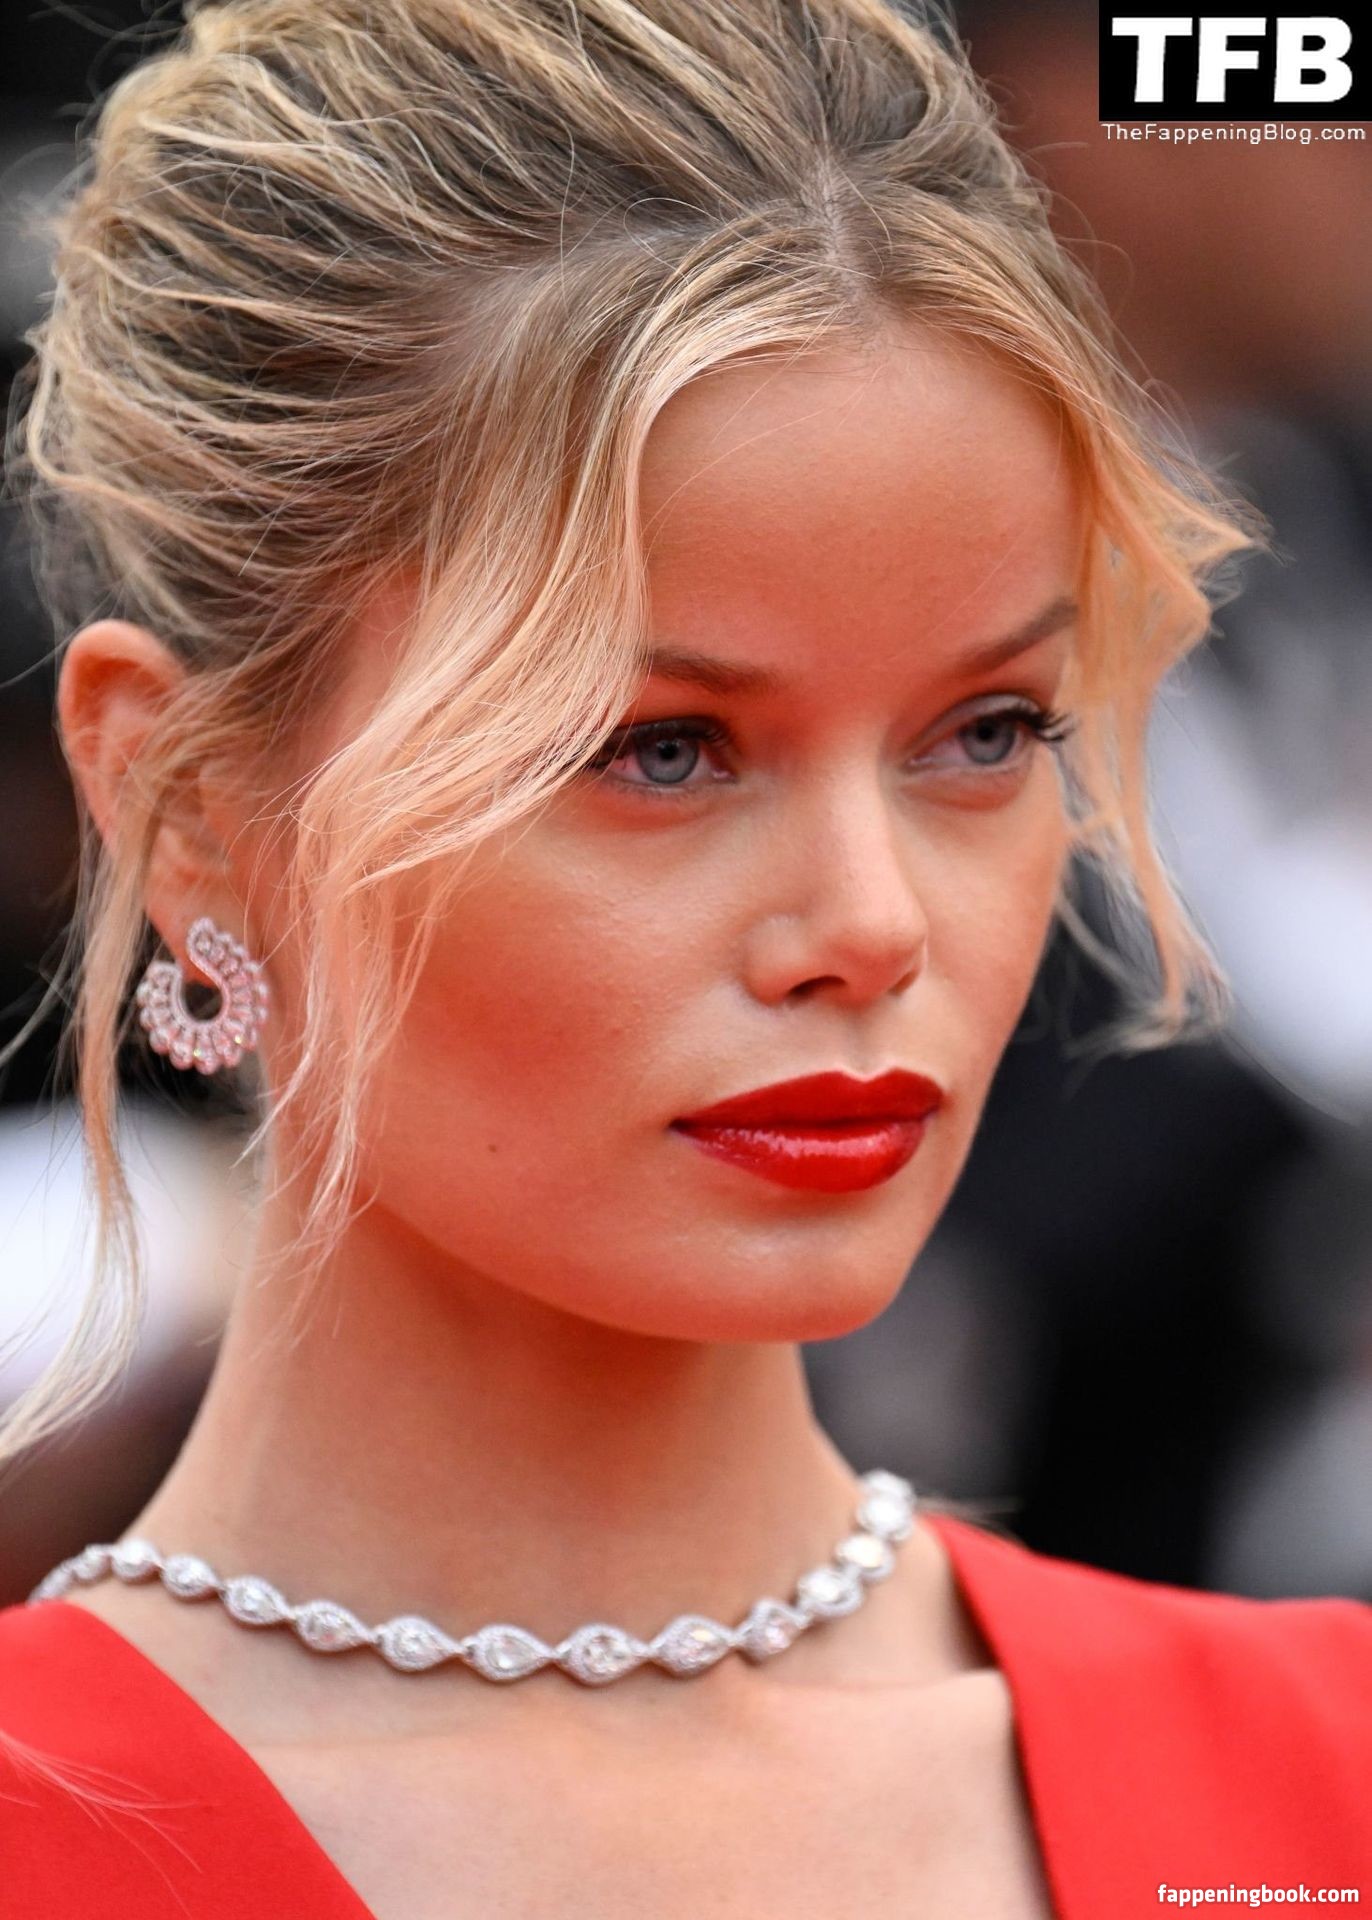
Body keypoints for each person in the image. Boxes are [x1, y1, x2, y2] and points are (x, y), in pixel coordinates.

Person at [0, 2, 1367, 1915]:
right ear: (194, 807)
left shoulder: (1320, 1774)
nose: (874, 923)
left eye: (985, 732)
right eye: (662, 751)